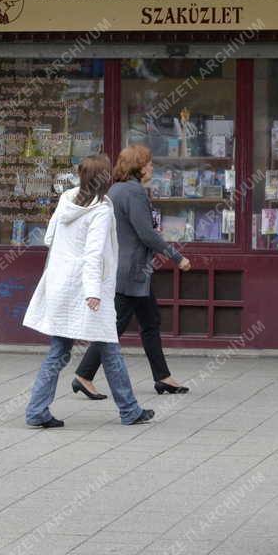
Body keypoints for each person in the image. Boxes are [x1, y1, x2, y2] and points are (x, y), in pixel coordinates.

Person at [22, 154, 155, 428]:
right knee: (107, 346)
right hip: (87, 288)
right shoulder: (101, 210)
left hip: (61, 285)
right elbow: (93, 254)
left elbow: (49, 237)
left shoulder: (68, 198)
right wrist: (93, 292)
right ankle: (129, 410)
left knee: (63, 350)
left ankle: (37, 410)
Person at [73, 145, 193, 398]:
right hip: (132, 271)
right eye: (148, 164)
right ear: (138, 167)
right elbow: (146, 233)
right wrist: (176, 256)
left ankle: (163, 377)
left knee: (150, 322)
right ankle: (84, 375)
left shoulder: (115, 190)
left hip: (128, 269)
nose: (152, 168)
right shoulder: (134, 192)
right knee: (113, 326)